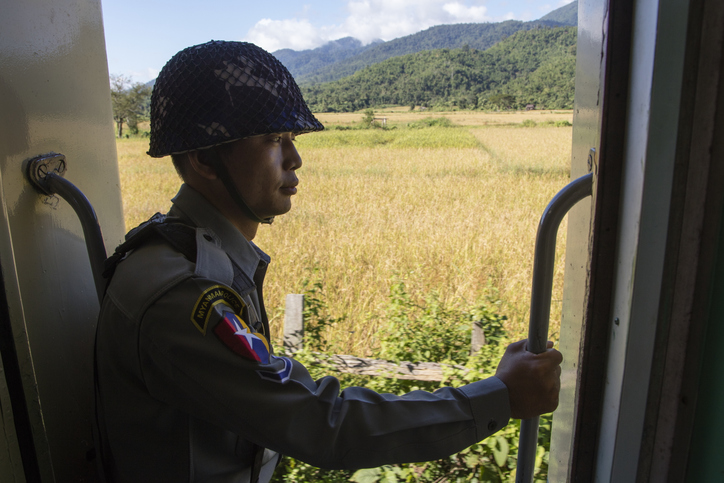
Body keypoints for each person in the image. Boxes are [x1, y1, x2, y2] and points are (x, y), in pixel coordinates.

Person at [94, 40, 562, 483]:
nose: (295, 158)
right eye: (273, 139)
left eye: (291, 137)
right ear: (203, 159)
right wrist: (498, 397)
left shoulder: (199, 258)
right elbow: (323, 423)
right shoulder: (182, 295)